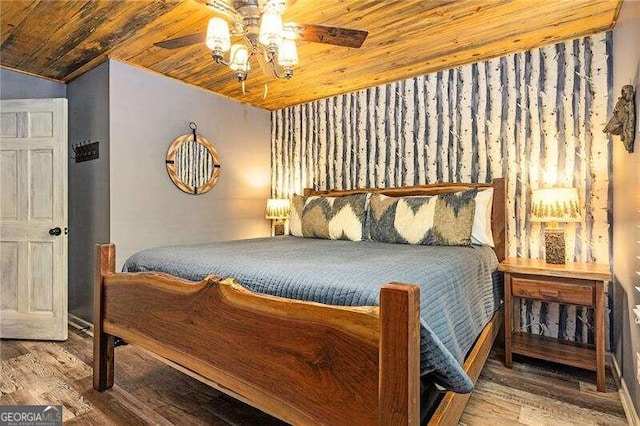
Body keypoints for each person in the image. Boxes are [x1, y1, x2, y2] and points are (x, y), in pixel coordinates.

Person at [603, 84, 636, 153]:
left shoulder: (628, 104)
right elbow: (617, 110)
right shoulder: (621, 101)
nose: (623, 94)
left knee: (613, 129)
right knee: (609, 128)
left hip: (622, 120)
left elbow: (629, 121)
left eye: (625, 93)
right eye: (623, 92)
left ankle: (626, 141)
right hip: (619, 119)